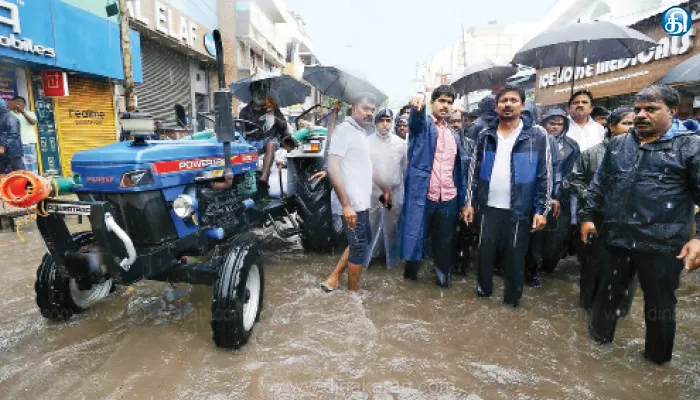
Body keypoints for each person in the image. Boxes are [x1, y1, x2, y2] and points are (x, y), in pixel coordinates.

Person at [580, 85, 700, 365]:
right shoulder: (620, 144)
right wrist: (586, 216)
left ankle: (656, 366)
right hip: (617, 240)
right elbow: (600, 183)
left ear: (672, 111)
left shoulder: (690, 147)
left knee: (659, 306)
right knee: (605, 300)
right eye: (637, 110)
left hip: (663, 244)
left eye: (651, 109)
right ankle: (594, 358)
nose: (641, 115)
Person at [465, 85, 551, 307]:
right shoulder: (486, 135)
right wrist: (469, 203)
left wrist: (542, 210)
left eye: (513, 100)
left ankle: (512, 303)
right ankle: (483, 297)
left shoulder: (537, 136)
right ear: (496, 106)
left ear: (522, 106)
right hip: (489, 207)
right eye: (503, 100)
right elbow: (473, 172)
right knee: (485, 254)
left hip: (519, 208)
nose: (508, 104)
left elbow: (545, 175)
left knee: (515, 257)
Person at [401, 85, 468, 288]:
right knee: (416, 238)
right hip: (423, 195)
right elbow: (415, 120)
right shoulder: (422, 127)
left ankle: (443, 282)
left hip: (448, 197)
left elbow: (459, 171)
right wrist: (417, 105)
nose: (445, 105)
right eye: (441, 101)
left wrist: (463, 201)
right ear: (432, 103)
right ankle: (409, 282)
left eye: (449, 102)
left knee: (445, 244)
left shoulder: (454, 135)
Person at [570, 107, 635, 312]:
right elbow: (575, 179)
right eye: (626, 123)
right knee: (592, 266)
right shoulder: (592, 153)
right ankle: (587, 308)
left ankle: (620, 311)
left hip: (631, 222)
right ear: (611, 126)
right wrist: (592, 197)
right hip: (596, 217)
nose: (631, 128)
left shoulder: (644, 153)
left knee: (627, 268)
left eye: (634, 124)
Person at [320, 93, 376, 292]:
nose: (370, 113)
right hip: (351, 202)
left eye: (372, 109)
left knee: (360, 240)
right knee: (359, 246)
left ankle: (334, 278)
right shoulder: (344, 130)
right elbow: (333, 166)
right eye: (365, 108)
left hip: (361, 201)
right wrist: (345, 205)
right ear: (353, 109)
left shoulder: (361, 132)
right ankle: (353, 296)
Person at [366, 108, 408, 268]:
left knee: (392, 225)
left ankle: (390, 261)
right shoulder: (367, 142)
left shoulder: (400, 144)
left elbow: (404, 169)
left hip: (393, 193)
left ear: (392, 123)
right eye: (381, 120)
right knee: (371, 224)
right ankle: (370, 258)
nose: (385, 124)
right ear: (375, 123)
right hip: (373, 193)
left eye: (388, 121)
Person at [238, 81, 288, 186]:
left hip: (269, 141)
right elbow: (241, 133)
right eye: (258, 92)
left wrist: (273, 117)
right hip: (251, 143)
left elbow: (284, 126)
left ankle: (263, 178)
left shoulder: (272, 108)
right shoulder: (245, 112)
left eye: (263, 92)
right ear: (252, 94)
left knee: (271, 143)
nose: (261, 95)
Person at [9, 96, 37, 174]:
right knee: (18, 165)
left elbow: (33, 122)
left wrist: (22, 112)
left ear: (24, 104)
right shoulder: (9, 114)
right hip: (14, 145)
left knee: (31, 164)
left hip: (28, 143)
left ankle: (33, 181)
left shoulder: (30, 113)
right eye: (16, 102)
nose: (18, 103)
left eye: (20, 102)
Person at [0, 98, 23, 173]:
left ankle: (24, 184)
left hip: (13, 150)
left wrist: (3, 146)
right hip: (2, 151)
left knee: (18, 172)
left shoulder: (10, 118)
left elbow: (13, 134)